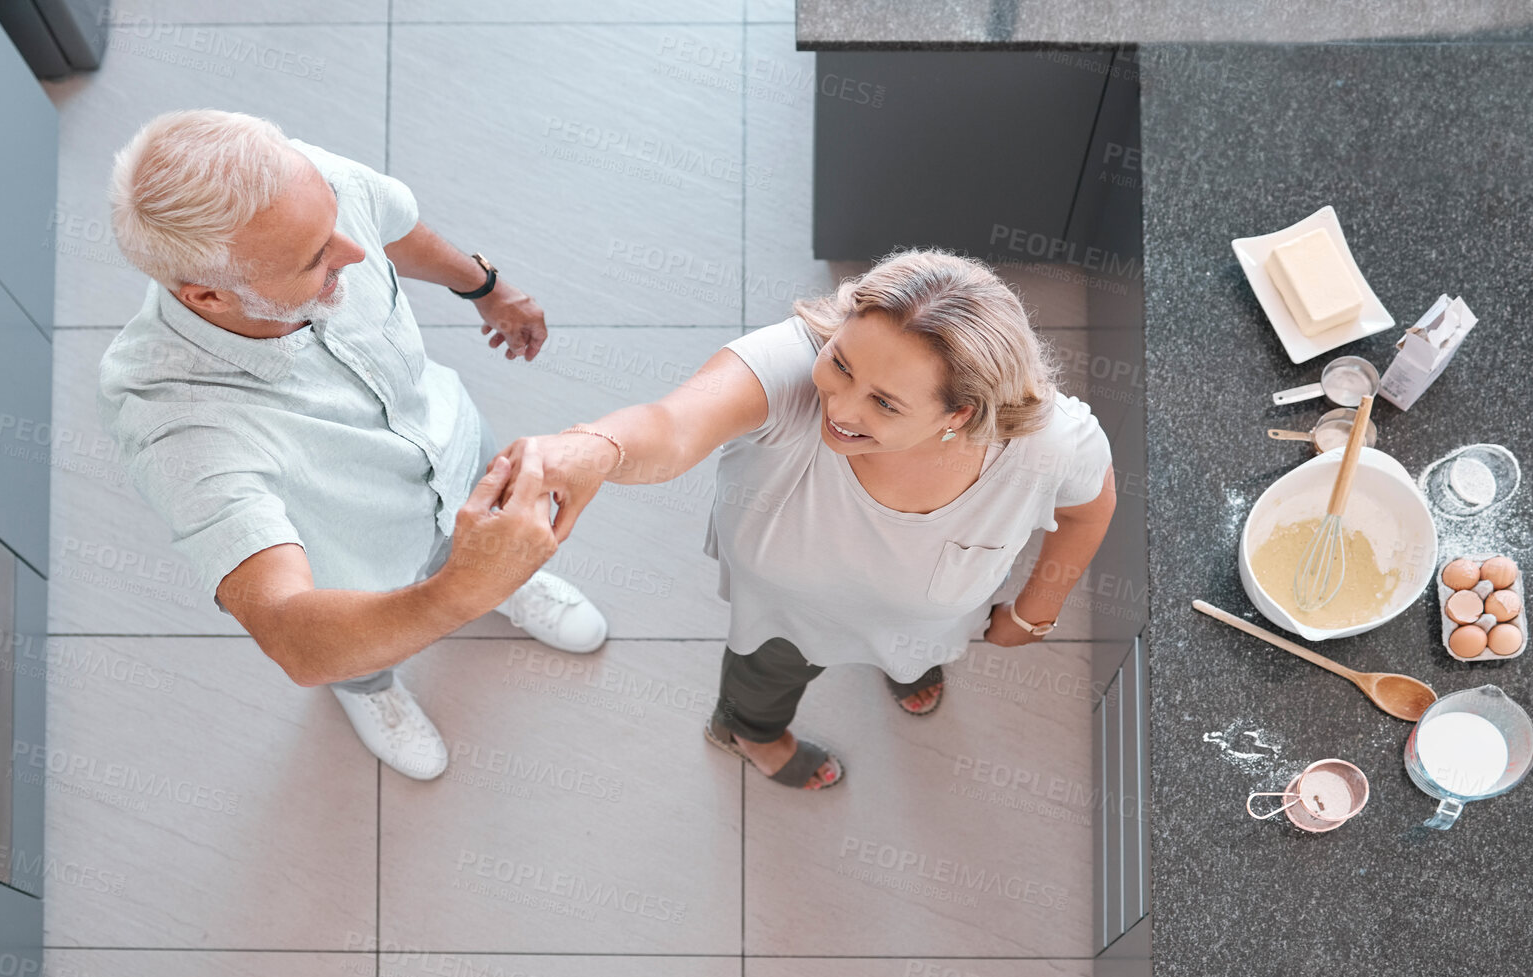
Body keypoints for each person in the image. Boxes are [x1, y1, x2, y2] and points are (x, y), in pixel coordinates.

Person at [98, 109, 607, 781]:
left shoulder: (305, 188)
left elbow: (388, 227)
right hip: (362, 567)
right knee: (359, 655)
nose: (356, 253)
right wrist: (461, 591)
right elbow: (293, 635)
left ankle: (510, 585)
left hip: (454, 446)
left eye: (333, 220)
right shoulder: (173, 415)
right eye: (317, 260)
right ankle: (374, 690)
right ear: (210, 295)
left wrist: (485, 285)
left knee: (476, 533)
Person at [504, 250, 1116, 789]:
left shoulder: (1050, 446)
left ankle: (905, 668)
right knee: (766, 674)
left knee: (916, 649)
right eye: (841, 363)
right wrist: (593, 448)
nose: (839, 407)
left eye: (885, 402)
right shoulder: (790, 361)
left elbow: (1089, 511)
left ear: (959, 415)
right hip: (786, 612)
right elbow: (671, 427)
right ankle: (747, 732)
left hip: (927, 618)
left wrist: (1035, 614)